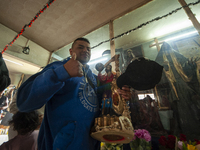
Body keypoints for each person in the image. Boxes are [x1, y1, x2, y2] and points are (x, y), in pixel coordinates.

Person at [16, 37, 131, 150]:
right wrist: (62, 72)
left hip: (90, 144)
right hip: (61, 145)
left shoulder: (94, 78)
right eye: (80, 47)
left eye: (88, 49)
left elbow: (104, 103)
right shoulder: (58, 67)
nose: (85, 50)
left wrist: (118, 94)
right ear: (71, 51)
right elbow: (23, 101)